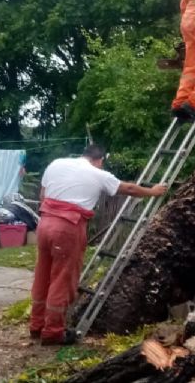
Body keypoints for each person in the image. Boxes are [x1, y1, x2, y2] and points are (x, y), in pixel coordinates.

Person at [29, 145, 167, 345]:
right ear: (100, 159)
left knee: (43, 275)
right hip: (67, 227)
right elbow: (128, 188)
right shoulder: (97, 174)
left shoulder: (56, 164)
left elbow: (43, 195)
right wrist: (152, 191)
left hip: (44, 223)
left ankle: (36, 326)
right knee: (62, 280)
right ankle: (52, 332)